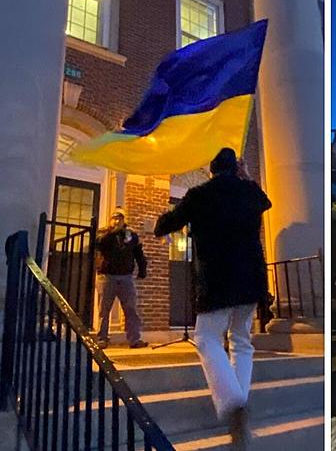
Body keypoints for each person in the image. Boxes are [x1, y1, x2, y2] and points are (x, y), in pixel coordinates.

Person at [154, 149, 270, 449]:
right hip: (250, 278)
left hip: (218, 278)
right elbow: (265, 201)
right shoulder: (249, 192)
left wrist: (162, 220)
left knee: (206, 338)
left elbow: (165, 225)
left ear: (211, 171)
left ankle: (233, 404)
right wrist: (246, 176)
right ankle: (239, 405)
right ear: (236, 169)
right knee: (242, 341)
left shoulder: (199, 194)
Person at [95, 208, 148, 349]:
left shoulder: (131, 236)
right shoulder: (104, 233)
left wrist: (142, 269)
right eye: (114, 218)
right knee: (104, 309)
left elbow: (138, 253)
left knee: (131, 309)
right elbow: (99, 244)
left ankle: (134, 339)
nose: (117, 220)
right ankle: (102, 338)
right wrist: (113, 231)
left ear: (124, 220)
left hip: (126, 277)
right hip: (107, 276)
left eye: (120, 218)